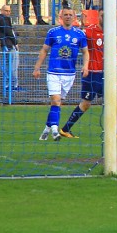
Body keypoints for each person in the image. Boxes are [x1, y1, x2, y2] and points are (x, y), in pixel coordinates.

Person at [59, 9, 117, 139]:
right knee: (86, 104)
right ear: (98, 17)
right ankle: (65, 129)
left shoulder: (109, 31)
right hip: (92, 74)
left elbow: (115, 39)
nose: (105, 18)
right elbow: (77, 37)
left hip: (103, 74)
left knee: (111, 101)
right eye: (102, 16)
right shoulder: (90, 30)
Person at [33, 8, 89, 141]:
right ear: (61, 17)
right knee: (56, 100)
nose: (68, 17)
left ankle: (47, 129)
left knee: (57, 103)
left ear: (75, 17)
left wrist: (86, 66)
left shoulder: (80, 34)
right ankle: (55, 131)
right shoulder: (53, 32)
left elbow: (86, 52)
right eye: (66, 15)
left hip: (69, 74)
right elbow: (44, 50)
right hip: (53, 72)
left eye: (70, 15)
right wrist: (37, 67)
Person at [0, 5, 21, 91]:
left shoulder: (1, 20)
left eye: (9, 11)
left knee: (9, 66)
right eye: (6, 11)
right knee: (13, 66)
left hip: (7, 45)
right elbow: (8, 32)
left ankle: (9, 84)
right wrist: (15, 42)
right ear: (1, 10)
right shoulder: (3, 19)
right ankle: (14, 85)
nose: (8, 13)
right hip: (9, 46)